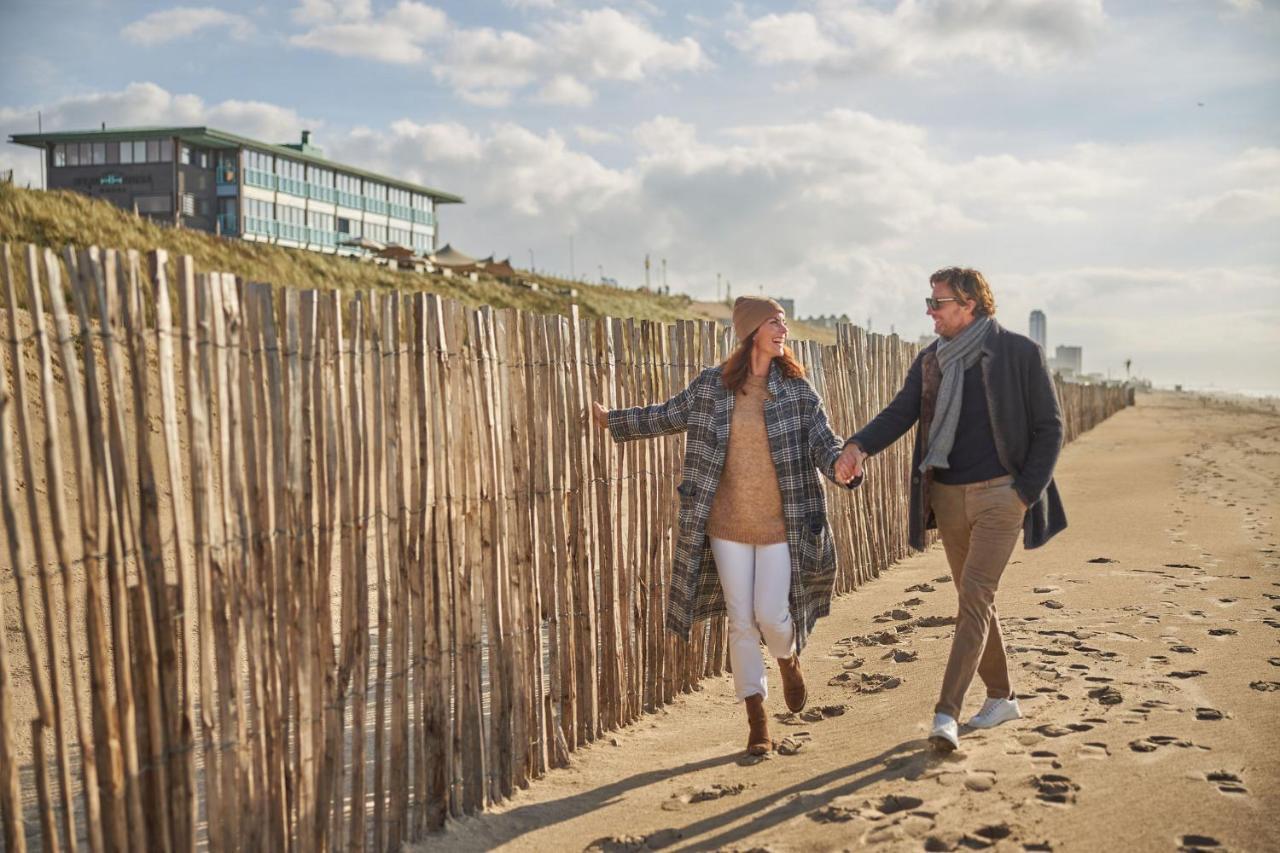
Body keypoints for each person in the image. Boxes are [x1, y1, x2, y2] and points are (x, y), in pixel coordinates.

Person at [591, 296, 861, 755]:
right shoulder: (711, 388)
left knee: (772, 616)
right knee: (740, 621)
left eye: (783, 323)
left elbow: (824, 443)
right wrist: (612, 420)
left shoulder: (797, 390)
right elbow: (665, 415)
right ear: (751, 330)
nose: (783, 330)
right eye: (774, 322)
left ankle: (788, 658)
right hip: (725, 527)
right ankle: (757, 720)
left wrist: (840, 465)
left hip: (781, 525)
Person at [834, 267, 1065, 753]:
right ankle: (1002, 697)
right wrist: (858, 446)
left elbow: (1050, 427)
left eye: (937, 302)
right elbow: (900, 413)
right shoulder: (931, 361)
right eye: (930, 300)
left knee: (975, 599)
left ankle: (946, 714)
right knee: (973, 599)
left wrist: (1024, 492)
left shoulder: (1019, 353)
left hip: (1002, 496)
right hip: (948, 498)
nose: (929, 310)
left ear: (970, 305)